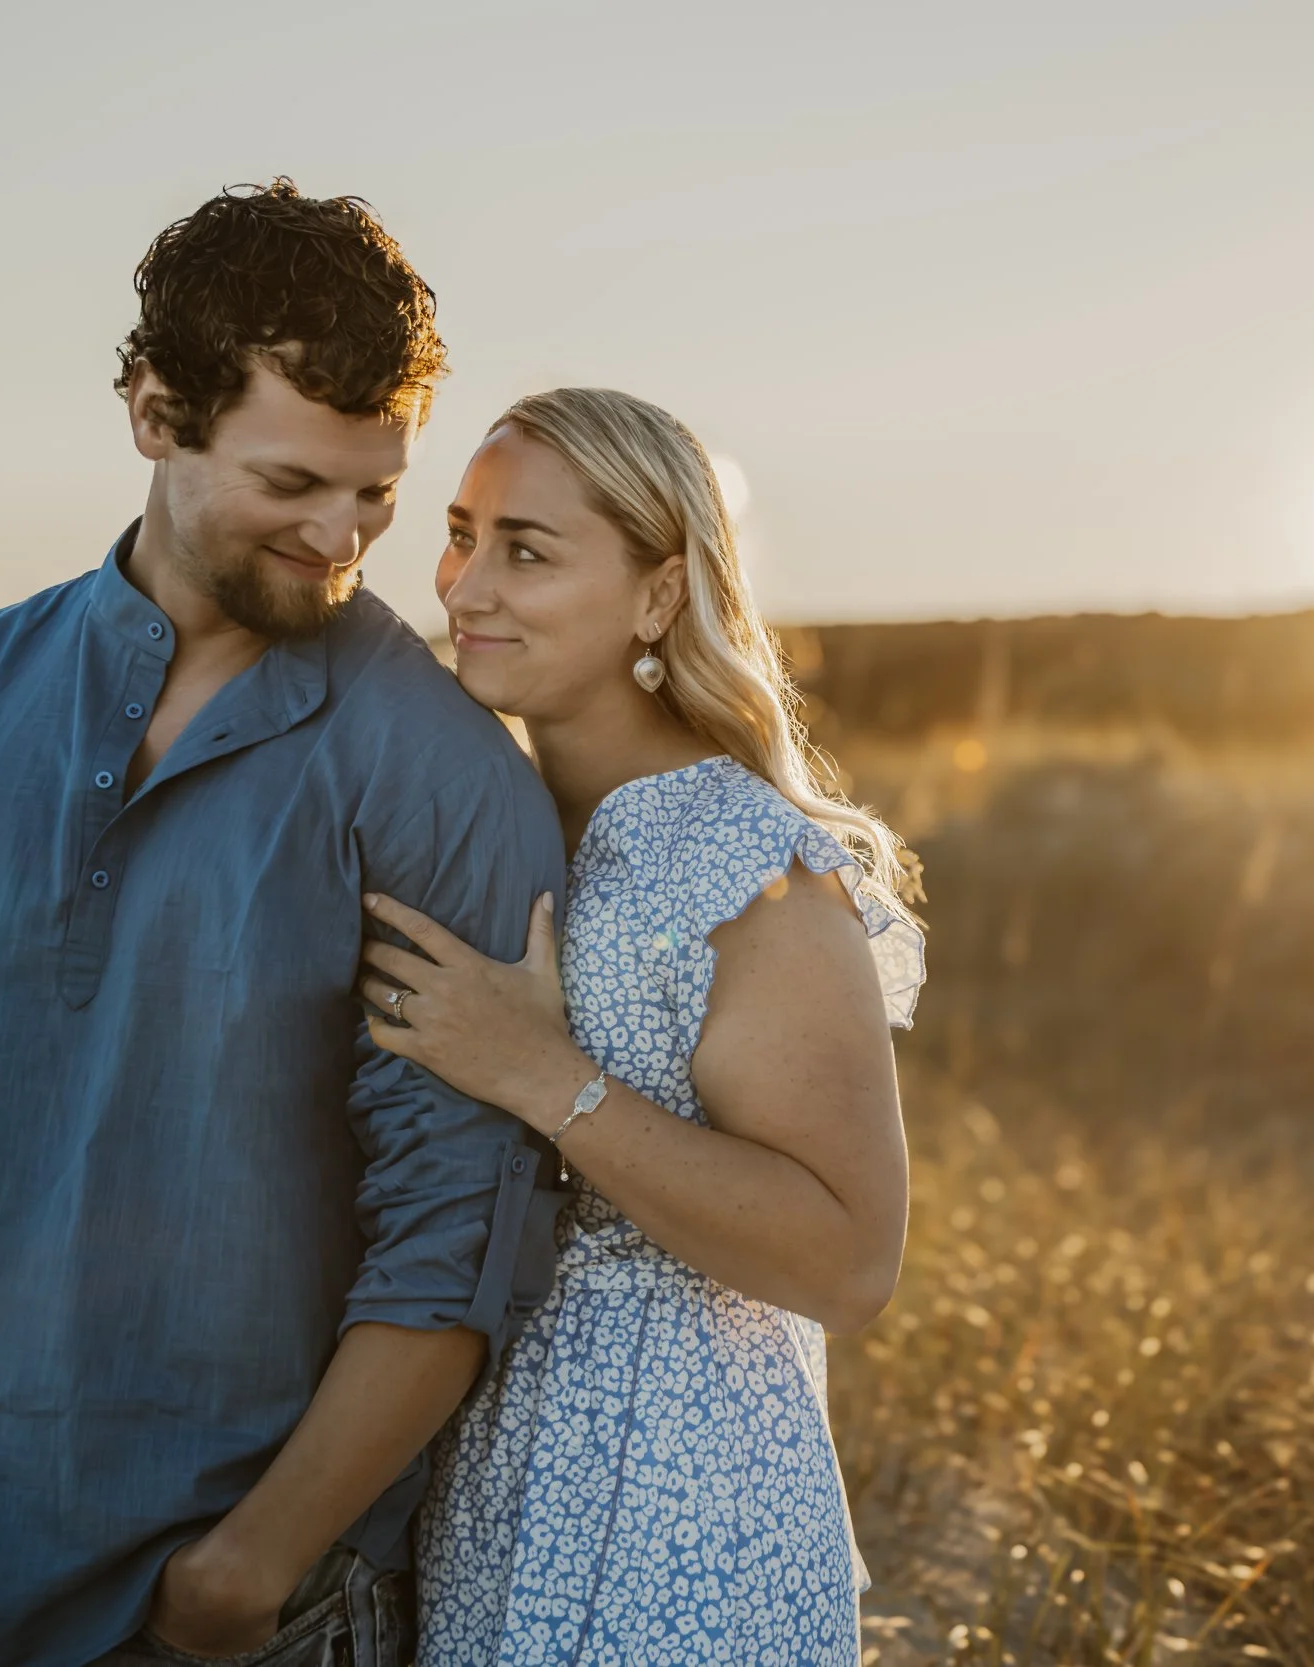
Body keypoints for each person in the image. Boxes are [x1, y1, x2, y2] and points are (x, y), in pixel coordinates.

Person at [0, 181, 568, 1667]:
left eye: (377, 492)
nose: (344, 535)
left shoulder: (443, 770)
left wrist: (247, 1567)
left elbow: (459, 1226)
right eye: (294, 483)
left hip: (235, 1619)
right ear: (156, 412)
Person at [349, 388, 925, 1665]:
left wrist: (544, 1077)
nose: (465, 586)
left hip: (676, 1488)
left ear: (660, 596)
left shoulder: (746, 863)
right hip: (492, 1464)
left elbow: (849, 1258)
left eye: (528, 550)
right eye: (460, 532)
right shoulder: (500, 820)